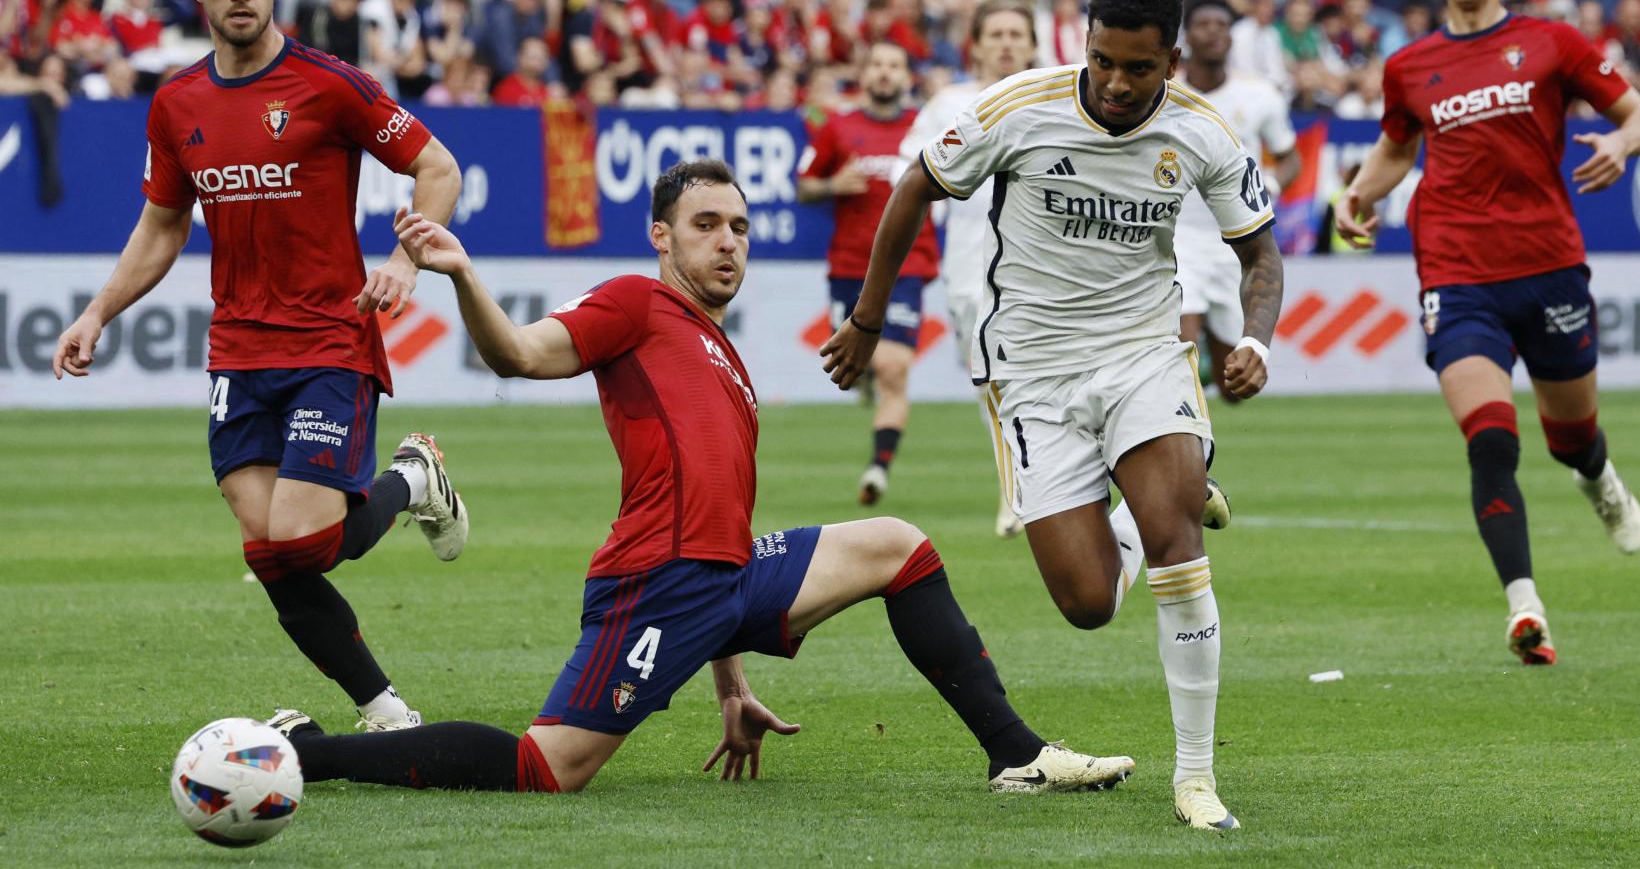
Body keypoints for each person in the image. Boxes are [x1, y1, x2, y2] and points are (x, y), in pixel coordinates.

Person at [267, 160, 1135, 796]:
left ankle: (1014, 754)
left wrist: (732, 680)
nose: (727, 242)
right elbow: (520, 354)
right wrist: (462, 275)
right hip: (653, 584)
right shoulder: (634, 305)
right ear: (662, 236)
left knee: (896, 547)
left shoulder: (724, 354)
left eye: (739, 227)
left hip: (724, 578)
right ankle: (317, 751)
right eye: (706, 225)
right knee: (547, 768)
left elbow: (719, 512)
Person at [821, 0, 1287, 831]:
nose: (1115, 83)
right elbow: (913, 189)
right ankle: (1147, 511)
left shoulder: (1204, 134)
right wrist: (867, 321)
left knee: (1178, 545)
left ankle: (1196, 778)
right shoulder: (1017, 108)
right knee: (1086, 605)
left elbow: (1262, 255)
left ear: (1170, 61)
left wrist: (1254, 339)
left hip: (1144, 353)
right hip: (1031, 371)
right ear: (1084, 43)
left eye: (1138, 69)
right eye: (1102, 60)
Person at [50, 0, 469, 732]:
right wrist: (97, 311)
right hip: (238, 351)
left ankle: (413, 478)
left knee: (302, 542)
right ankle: (386, 712)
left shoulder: (329, 84)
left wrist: (406, 259)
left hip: (329, 340)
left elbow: (436, 165)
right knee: (267, 547)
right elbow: (164, 224)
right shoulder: (175, 103)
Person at [1334, 0, 1640, 666]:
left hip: (1547, 264)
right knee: (1489, 439)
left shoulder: (1553, 43)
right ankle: (1525, 606)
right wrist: (1359, 196)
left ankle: (1598, 476)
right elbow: (1393, 148)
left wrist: (1618, 141)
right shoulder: (1410, 64)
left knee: (1570, 437)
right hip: (1456, 272)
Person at [895, 0, 1035, 538]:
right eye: (995, 33)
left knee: (1025, 377)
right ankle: (1020, 482)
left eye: (1015, 33)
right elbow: (909, 170)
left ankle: (1020, 489)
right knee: (988, 381)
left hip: (1042, 268)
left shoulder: (1053, 97)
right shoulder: (949, 102)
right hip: (968, 269)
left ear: (1031, 45)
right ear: (974, 44)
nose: (1005, 43)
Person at [798, 40, 938, 506]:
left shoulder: (926, 128)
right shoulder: (838, 127)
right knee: (857, 368)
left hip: (908, 265)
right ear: (864, 72)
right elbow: (803, 186)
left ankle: (878, 469)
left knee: (894, 368)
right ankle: (866, 383)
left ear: (906, 76)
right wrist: (832, 185)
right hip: (850, 266)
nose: (884, 72)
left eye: (894, 64)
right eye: (876, 63)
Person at [1175, 0, 1300, 402]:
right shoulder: (1165, 93)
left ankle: (1213, 346)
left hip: (1235, 241)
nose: (1214, 32)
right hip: (1177, 236)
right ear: (1187, 35)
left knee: (1235, 387)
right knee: (1180, 356)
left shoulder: (1260, 94)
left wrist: (1273, 184)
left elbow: (1289, 156)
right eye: (1204, 24)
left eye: (1222, 25)